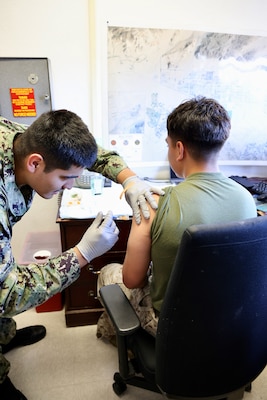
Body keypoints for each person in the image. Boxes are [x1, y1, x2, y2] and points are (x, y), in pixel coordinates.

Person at [0, 110, 164, 400]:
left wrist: (129, 180)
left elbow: (94, 156)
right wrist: (80, 253)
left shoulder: (24, 137)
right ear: (35, 163)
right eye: (65, 177)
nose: (70, 185)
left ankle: (5, 336)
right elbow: (8, 294)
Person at [96, 96, 258, 341]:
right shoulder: (247, 199)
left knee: (109, 273)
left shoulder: (153, 203)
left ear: (179, 149)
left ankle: (128, 348)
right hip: (230, 317)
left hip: (173, 325)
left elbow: (132, 279)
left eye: (168, 144)